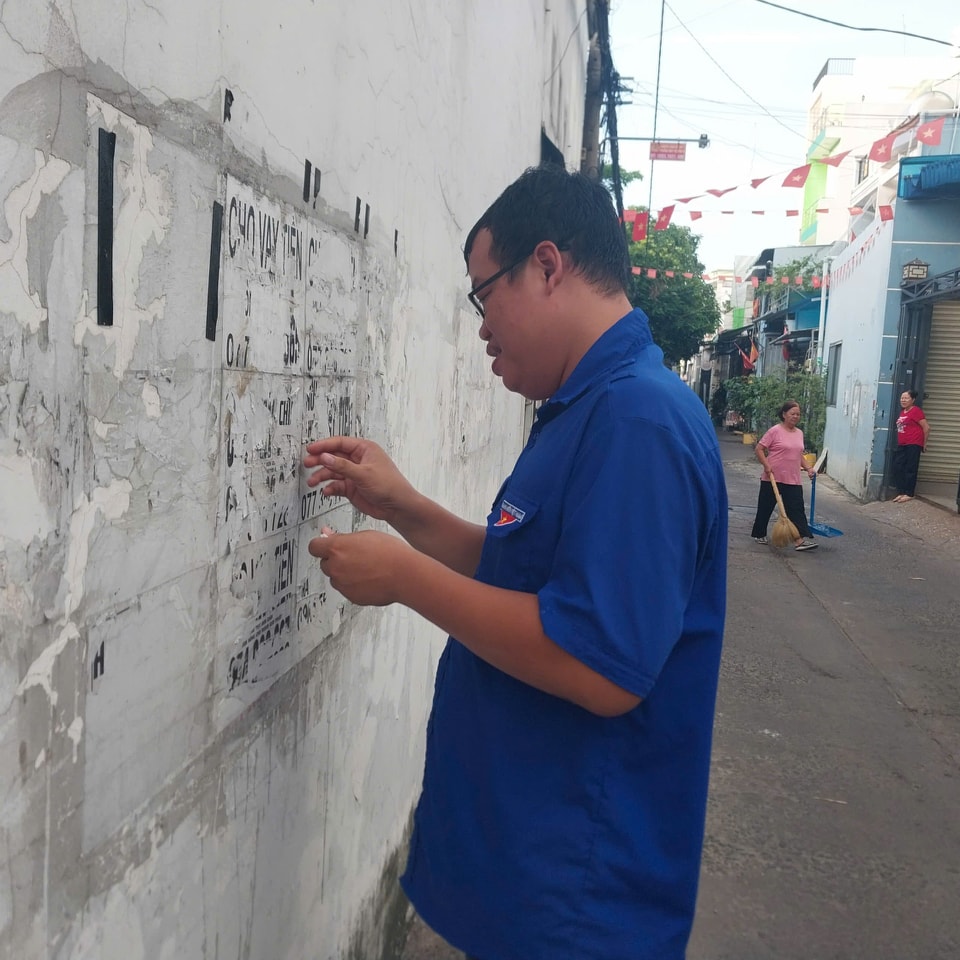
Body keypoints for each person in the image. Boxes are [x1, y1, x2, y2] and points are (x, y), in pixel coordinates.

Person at [303, 166, 728, 960]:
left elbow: (597, 664)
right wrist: (404, 508)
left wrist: (403, 578)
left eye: (483, 295)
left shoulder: (637, 420)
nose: (482, 328)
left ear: (547, 265)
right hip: (534, 874)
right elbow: (527, 574)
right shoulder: (590, 405)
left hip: (577, 899)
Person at [750, 400, 818, 551]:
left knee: (796, 508)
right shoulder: (775, 431)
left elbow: (798, 454)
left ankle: (799, 540)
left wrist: (808, 468)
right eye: (792, 413)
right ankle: (759, 534)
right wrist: (766, 465)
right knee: (765, 507)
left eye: (798, 414)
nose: (795, 416)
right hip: (772, 476)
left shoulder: (799, 433)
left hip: (793, 478)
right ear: (784, 414)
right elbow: (759, 449)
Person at [891, 389, 930, 502]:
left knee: (910, 468)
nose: (903, 400)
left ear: (913, 400)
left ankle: (909, 493)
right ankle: (902, 491)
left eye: (906, 398)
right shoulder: (903, 412)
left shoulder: (916, 411)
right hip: (903, 444)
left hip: (913, 443)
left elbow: (927, 427)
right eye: (902, 398)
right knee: (897, 466)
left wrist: (924, 444)